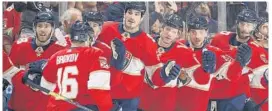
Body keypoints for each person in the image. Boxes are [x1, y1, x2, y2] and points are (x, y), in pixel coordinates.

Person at [97, 2, 181, 110]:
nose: (132, 17)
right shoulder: (106, 28)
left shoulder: (147, 42)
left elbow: (153, 76)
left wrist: (164, 75)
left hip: (129, 100)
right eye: (130, 13)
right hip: (104, 93)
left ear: (142, 18)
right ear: (124, 13)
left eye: (137, 14)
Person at [24, 21, 113, 111]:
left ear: (70, 39)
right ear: (89, 39)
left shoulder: (56, 56)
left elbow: (45, 88)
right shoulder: (95, 54)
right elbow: (99, 89)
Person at [175, 16, 250, 111]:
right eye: (193, 32)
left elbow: (231, 75)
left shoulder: (215, 52)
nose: (197, 36)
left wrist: (240, 62)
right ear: (188, 32)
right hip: (180, 103)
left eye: (201, 32)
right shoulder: (178, 47)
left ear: (206, 33)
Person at [8, 11, 68, 111]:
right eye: (39, 26)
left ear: (53, 29)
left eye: (46, 26)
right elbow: (8, 72)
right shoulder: (19, 45)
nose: (42, 30)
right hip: (19, 106)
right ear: (34, 27)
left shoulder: (61, 50)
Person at [139, 14, 200, 111]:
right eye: (167, 29)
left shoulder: (184, 51)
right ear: (161, 29)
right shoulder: (146, 43)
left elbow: (196, 75)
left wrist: (183, 77)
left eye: (173, 31)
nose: (169, 34)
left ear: (177, 35)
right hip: (143, 105)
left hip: (166, 106)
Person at [209, 9, 258, 111]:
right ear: (237, 23)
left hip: (235, 98)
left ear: (254, 28)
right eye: (242, 24)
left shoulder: (256, 49)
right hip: (212, 94)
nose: (244, 28)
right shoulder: (219, 38)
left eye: (249, 25)